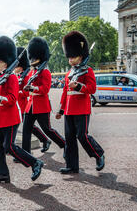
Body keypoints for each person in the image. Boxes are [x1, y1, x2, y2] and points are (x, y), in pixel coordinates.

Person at [0, 36, 44, 184]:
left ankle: (35, 163)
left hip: (11, 118)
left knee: (9, 146)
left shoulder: (11, 78)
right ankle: (2, 174)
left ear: (6, 62)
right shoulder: (0, 77)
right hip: (1, 119)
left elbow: (12, 99)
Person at [56, 31, 105, 174]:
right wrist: (61, 110)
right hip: (69, 110)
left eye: (73, 57)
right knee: (70, 138)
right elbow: (65, 93)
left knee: (82, 136)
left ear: (81, 56)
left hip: (82, 109)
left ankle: (98, 154)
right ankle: (72, 165)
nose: (70, 60)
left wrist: (78, 86)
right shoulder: (69, 73)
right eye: (69, 57)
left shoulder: (87, 71)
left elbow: (92, 89)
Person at [22, 37, 66, 156]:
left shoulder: (45, 72)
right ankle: (26, 153)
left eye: (35, 57)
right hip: (30, 105)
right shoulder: (31, 72)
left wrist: (32, 88)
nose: (33, 59)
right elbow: (27, 90)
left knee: (48, 130)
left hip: (41, 106)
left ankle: (64, 144)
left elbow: (45, 89)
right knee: (26, 129)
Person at [14, 47, 51, 158]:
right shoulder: (20, 75)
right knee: (27, 128)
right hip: (23, 105)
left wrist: (19, 93)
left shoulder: (27, 76)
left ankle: (45, 140)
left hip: (27, 104)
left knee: (40, 128)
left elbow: (27, 92)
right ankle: (27, 153)